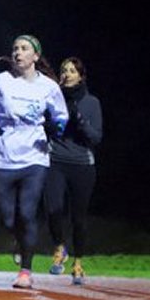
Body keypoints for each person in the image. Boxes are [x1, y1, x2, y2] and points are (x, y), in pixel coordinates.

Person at [0, 34, 68, 289]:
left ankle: (25, 270)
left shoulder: (48, 86)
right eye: (15, 48)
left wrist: (55, 127)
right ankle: (19, 240)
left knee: (27, 213)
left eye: (24, 49)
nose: (18, 52)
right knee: (7, 219)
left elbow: (61, 116)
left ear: (35, 56)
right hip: (2, 157)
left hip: (34, 157)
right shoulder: (0, 81)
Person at [44, 56, 103, 284]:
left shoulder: (91, 102)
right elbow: (46, 127)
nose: (67, 74)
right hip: (55, 161)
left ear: (81, 76)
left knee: (79, 219)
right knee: (53, 209)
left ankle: (78, 264)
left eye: (72, 71)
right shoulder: (53, 99)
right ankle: (60, 247)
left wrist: (80, 121)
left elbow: (96, 138)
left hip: (82, 165)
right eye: (64, 70)